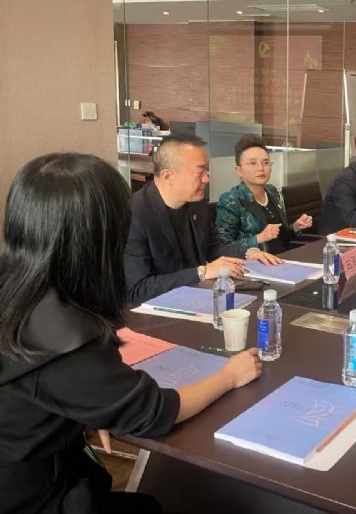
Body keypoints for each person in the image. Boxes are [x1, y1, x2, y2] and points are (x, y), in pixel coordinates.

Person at [0, 153, 262, 514]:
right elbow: (154, 411)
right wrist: (229, 375)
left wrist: (85, 407)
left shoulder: (16, 288)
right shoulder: (63, 337)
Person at [124, 134, 281, 305]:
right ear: (168, 175)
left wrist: (248, 253)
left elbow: (215, 247)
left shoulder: (196, 204)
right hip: (157, 311)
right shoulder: (134, 214)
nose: (206, 178)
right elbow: (137, 290)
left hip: (198, 300)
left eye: (207, 170)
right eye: (200, 172)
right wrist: (202, 272)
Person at [216, 134, 313, 255]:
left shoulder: (272, 191)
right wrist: (259, 238)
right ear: (239, 170)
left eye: (266, 163)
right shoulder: (231, 200)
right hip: (255, 263)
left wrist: (296, 227)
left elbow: (280, 236)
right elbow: (222, 248)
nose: (261, 168)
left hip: (283, 258)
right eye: (253, 163)